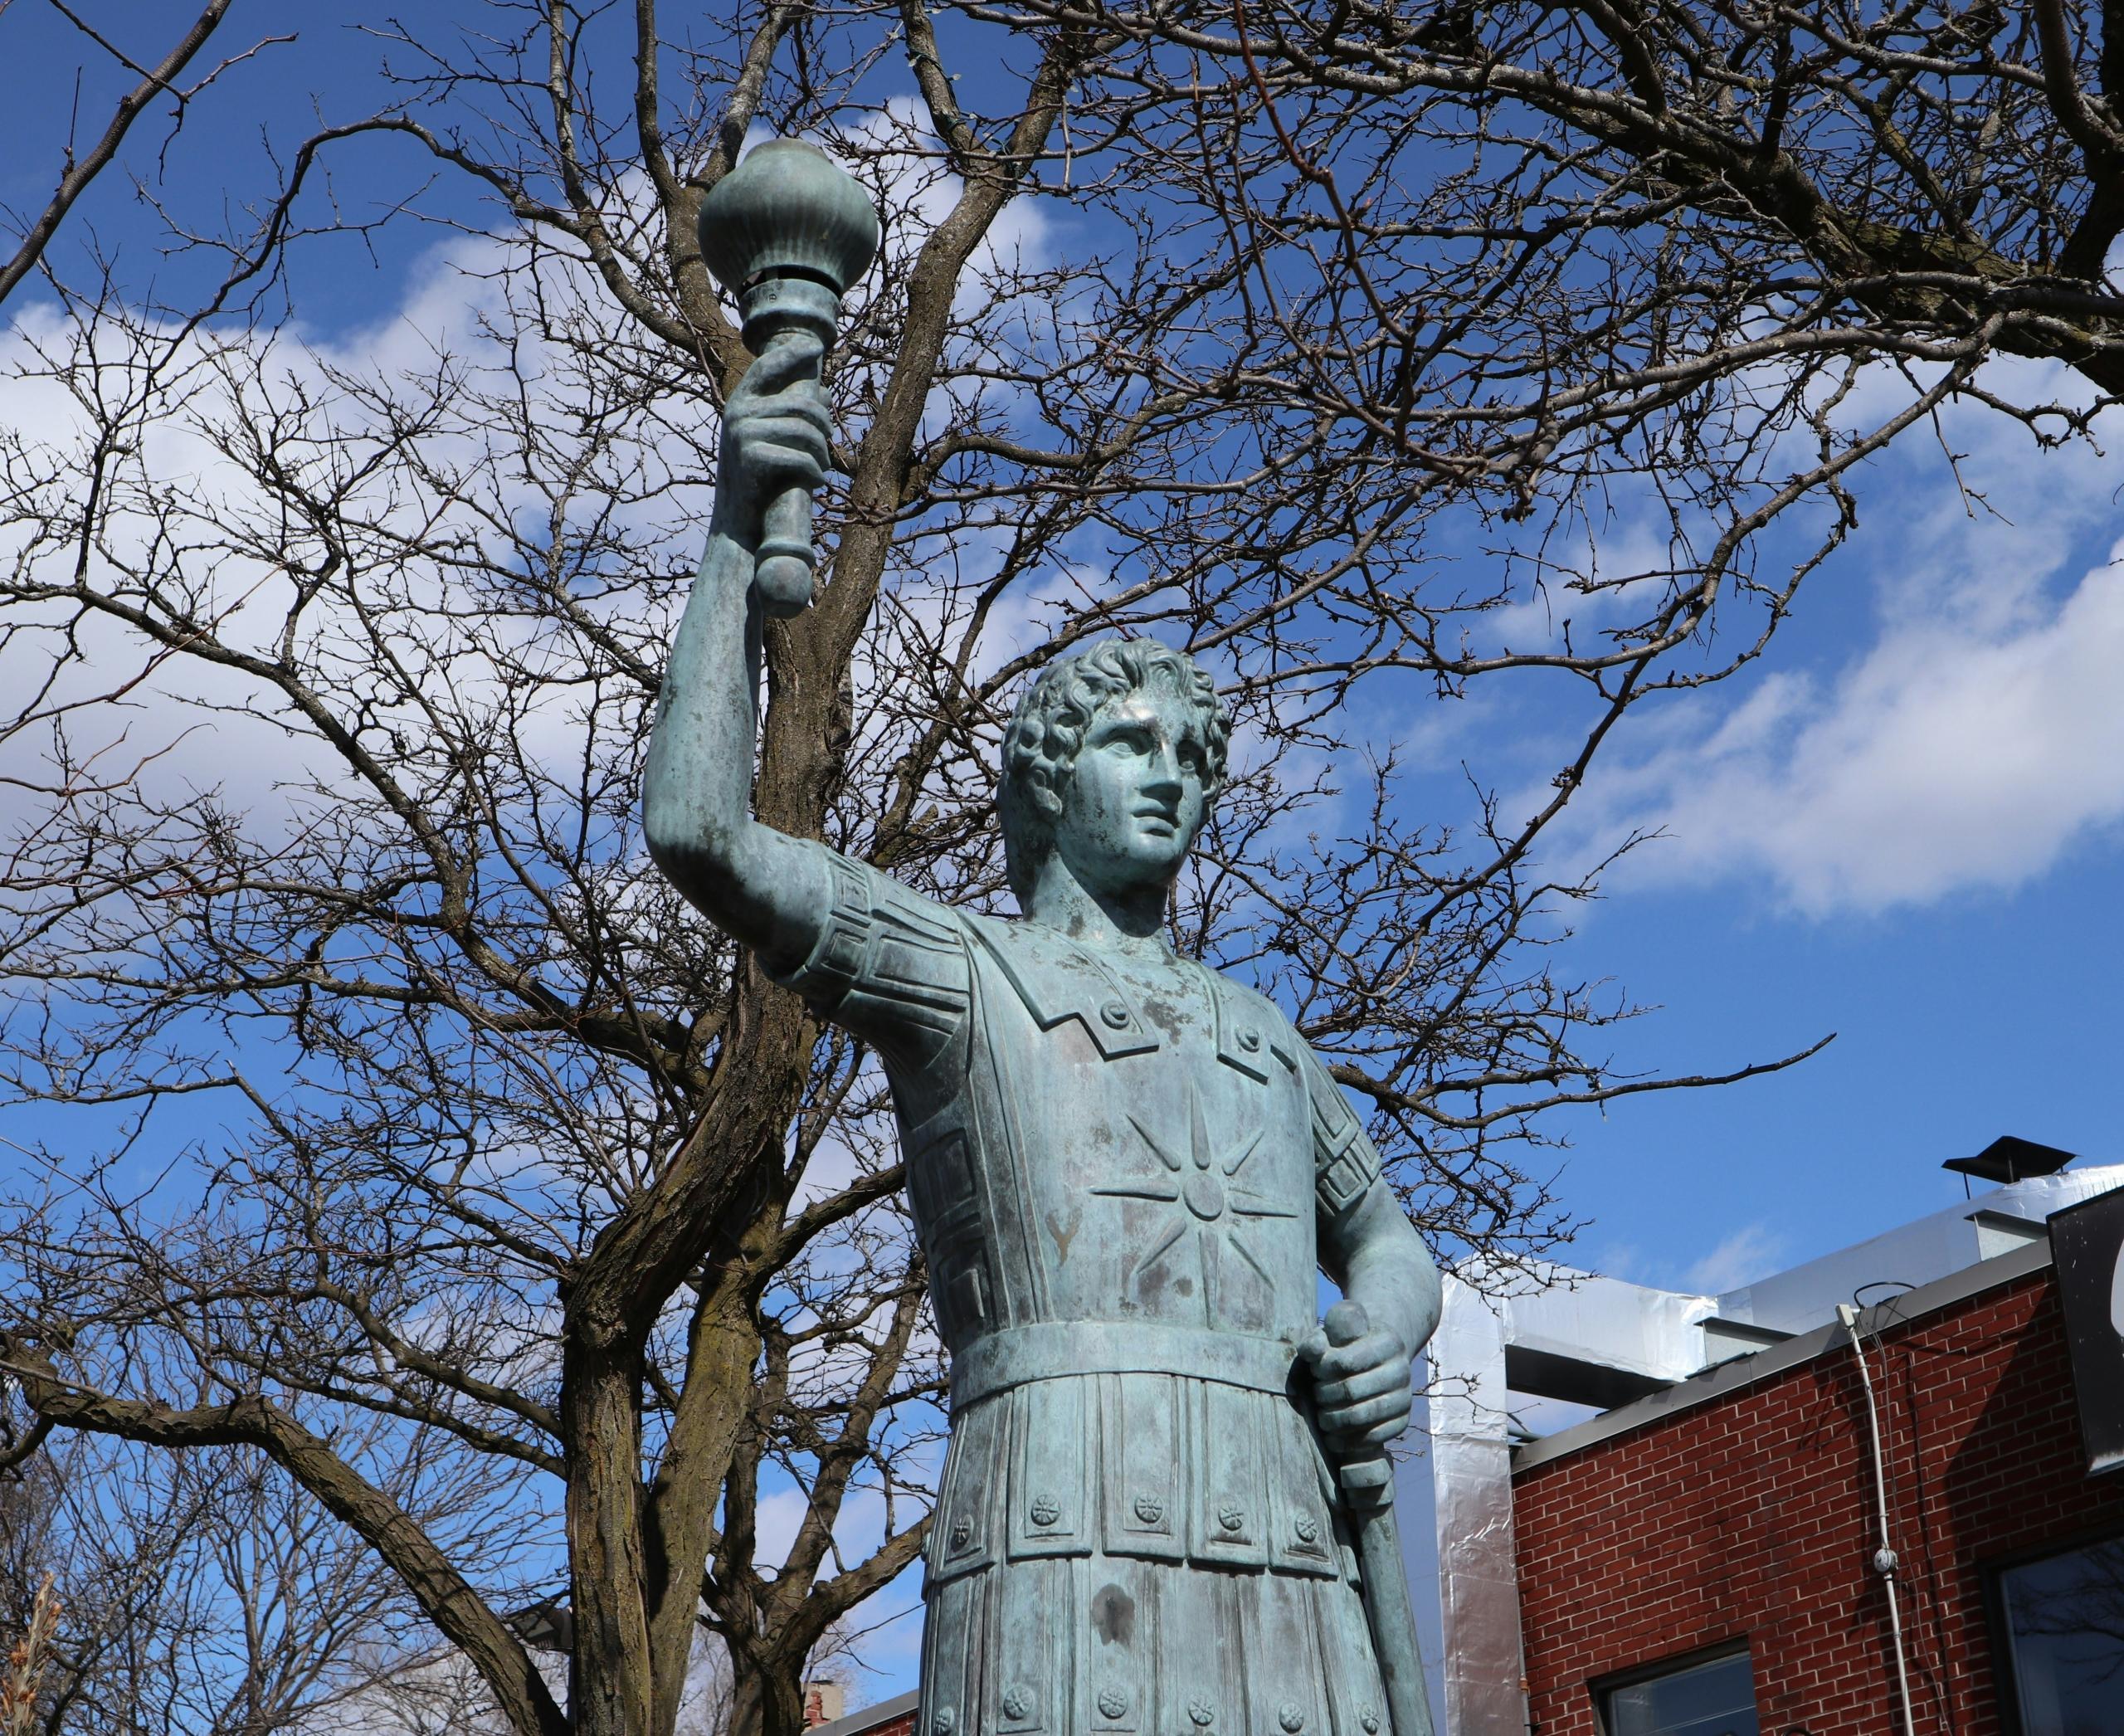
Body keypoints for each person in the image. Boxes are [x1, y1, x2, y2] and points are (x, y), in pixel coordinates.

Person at [645, 337, 1441, 1736]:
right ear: (1047, 776)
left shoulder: (1260, 1031)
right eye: (1134, 746)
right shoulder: (963, 973)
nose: (1174, 781)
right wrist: (731, 527)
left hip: (1290, 1543)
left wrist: (1383, 1323)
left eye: (1196, 760)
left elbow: (1383, 1239)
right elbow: (700, 831)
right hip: (1057, 1530)